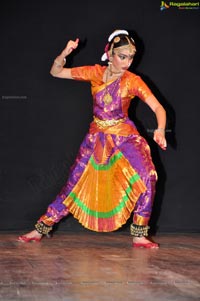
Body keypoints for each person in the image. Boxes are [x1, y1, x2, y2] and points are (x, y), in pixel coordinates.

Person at [18, 29, 167, 248]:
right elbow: (56, 72)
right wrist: (65, 53)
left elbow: (158, 107)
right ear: (110, 53)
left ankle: (139, 235)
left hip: (125, 138)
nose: (127, 62)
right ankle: (40, 229)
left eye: (131, 57)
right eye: (122, 56)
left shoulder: (132, 81)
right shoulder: (94, 73)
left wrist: (161, 129)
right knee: (73, 185)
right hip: (96, 139)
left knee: (149, 176)